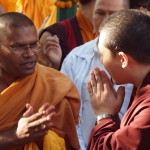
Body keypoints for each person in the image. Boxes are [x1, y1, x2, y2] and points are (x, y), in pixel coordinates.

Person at [0, 12, 80, 150]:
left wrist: (41, 135)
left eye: (33, 45)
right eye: (18, 47)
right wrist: (14, 136)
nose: (30, 54)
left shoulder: (54, 86)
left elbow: (69, 143)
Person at [61, 0, 133, 149]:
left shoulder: (140, 59)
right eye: (100, 13)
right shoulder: (76, 58)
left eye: (114, 15)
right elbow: (66, 114)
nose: (106, 20)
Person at [87, 9, 150, 149]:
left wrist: (103, 114)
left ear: (122, 59)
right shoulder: (141, 88)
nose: (101, 61)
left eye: (102, 55)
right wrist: (112, 118)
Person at [38, 0, 96, 69]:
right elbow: (40, 76)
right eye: (101, 13)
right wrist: (54, 66)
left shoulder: (107, 32)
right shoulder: (54, 35)